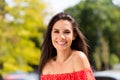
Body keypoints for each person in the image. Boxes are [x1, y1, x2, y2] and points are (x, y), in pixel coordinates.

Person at [38, 12, 95, 80]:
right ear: (50, 35)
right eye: (56, 31)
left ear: (74, 35)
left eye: (66, 32)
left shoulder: (78, 58)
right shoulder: (47, 65)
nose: (61, 37)